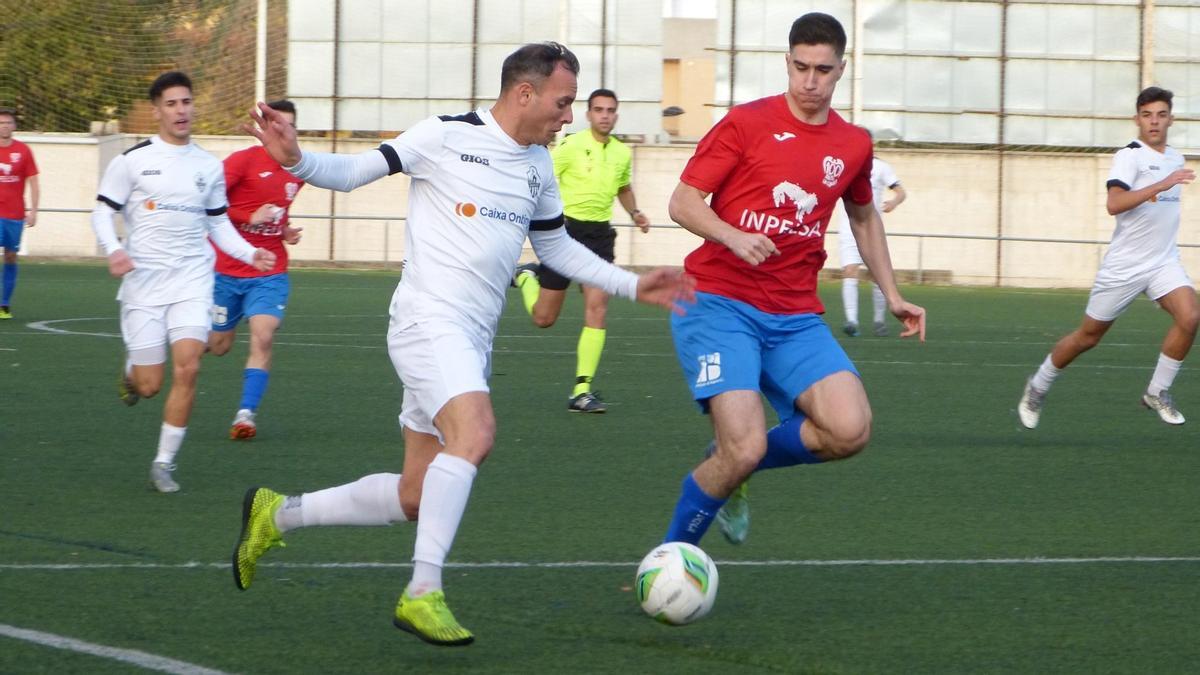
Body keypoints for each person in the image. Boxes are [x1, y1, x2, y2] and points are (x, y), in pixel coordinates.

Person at [229, 42, 693, 647]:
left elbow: (554, 248)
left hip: (472, 339)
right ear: (525, 93)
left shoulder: (536, 165)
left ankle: (276, 512)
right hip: (426, 322)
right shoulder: (444, 135)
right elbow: (354, 172)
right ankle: (423, 591)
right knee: (474, 435)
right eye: (563, 102)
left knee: (417, 494)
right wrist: (297, 159)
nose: (568, 116)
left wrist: (631, 283)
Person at [659, 13, 925, 550]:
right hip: (717, 302)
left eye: (823, 70)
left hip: (794, 314)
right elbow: (682, 202)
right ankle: (670, 558)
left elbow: (864, 216)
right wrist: (732, 235)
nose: (810, 81)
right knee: (745, 446)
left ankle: (730, 466)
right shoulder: (746, 123)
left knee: (849, 430)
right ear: (787, 63)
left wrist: (891, 294)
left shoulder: (853, 144)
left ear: (841, 70)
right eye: (801, 67)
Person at [92, 71, 276, 493]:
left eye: (187, 102)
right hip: (143, 285)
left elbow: (217, 225)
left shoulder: (208, 166)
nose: (181, 111)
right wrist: (113, 248)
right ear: (157, 110)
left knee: (190, 366)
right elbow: (102, 211)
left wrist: (250, 253)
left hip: (192, 281)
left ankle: (163, 462)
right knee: (149, 385)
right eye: (172, 104)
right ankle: (131, 372)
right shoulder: (133, 160)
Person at [1018, 86, 1198, 429]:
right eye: (1147, 115)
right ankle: (1038, 386)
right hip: (1124, 266)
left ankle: (1157, 391)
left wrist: (1164, 183)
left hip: (1163, 262)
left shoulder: (1175, 158)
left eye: (1161, 114)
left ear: (1171, 119)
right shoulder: (1129, 155)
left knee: (1190, 317)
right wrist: (1159, 186)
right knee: (1088, 337)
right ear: (1137, 119)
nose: (1154, 122)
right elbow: (1114, 204)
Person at [512, 88, 651, 413]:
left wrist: (635, 213)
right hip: (565, 233)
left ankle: (582, 390)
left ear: (616, 115)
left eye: (610, 110)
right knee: (544, 318)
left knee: (597, 308)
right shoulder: (570, 146)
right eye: (599, 109)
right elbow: (542, 178)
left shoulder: (621, 153)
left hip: (600, 236)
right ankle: (526, 278)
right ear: (588, 114)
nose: (605, 115)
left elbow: (623, 187)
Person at [208, 99, 305, 440]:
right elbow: (210, 206)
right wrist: (248, 217)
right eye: (276, 123)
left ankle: (245, 415)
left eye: (288, 125)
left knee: (263, 336)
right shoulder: (240, 162)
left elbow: (279, 208)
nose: (283, 130)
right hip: (226, 270)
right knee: (218, 345)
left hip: (269, 271)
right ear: (264, 127)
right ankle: (183, 335)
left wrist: (284, 230)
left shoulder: (299, 170)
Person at [838, 131, 905, 337]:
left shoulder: (882, 167)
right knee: (850, 270)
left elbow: (901, 191)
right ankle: (852, 321)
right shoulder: (843, 164)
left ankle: (878, 320)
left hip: (871, 228)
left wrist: (893, 202)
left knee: (876, 274)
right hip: (847, 226)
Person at [0, 107, 40, 320]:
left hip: (14, 214)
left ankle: (4, 304)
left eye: (8, 122)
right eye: (1, 123)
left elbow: (33, 181)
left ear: (14, 126)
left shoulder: (23, 151)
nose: (4, 126)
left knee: (10, 257)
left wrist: (33, 210)